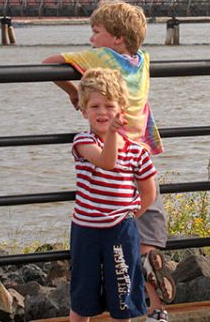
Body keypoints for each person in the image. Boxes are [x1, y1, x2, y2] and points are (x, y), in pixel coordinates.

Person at [43, 0, 175, 321]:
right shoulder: (143, 60)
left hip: (112, 154)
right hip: (139, 150)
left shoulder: (100, 58)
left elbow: (48, 62)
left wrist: (74, 92)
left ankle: (121, 290)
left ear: (115, 38)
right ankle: (157, 306)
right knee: (144, 233)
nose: (91, 38)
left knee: (112, 225)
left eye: (96, 31)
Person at [70, 68, 157, 322]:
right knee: (82, 295)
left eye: (109, 106)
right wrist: (110, 135)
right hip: (86, 230)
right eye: (94, 106)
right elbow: (107, 162)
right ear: (84, 111)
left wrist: (127, 217)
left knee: (123, 295)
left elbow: (148, 192)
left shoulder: (137, 152)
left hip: (120, 230)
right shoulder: (83, 142)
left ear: (121, 111)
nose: (102, 112)